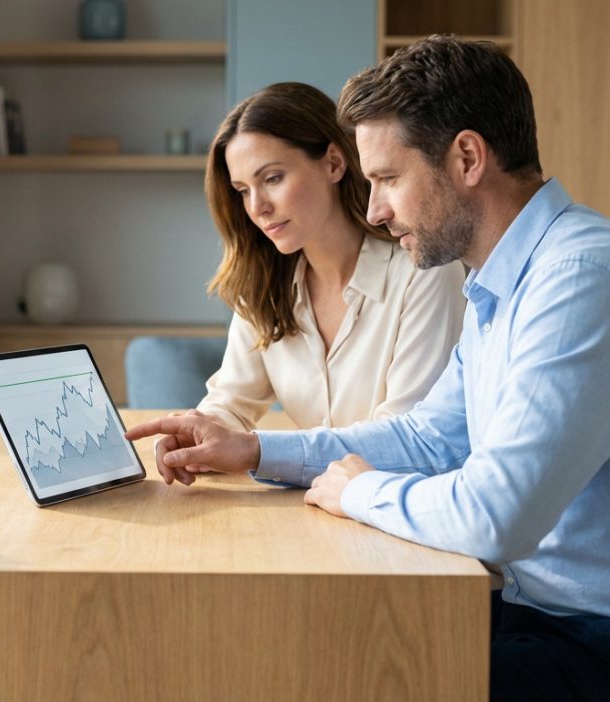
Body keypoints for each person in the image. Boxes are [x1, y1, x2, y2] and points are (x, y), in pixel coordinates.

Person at [126, 36, 610, 701]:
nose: (373, 209)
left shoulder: (582, 279)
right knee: (293, 649)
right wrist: (258, 449)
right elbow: (428, 439)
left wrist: (360, 491)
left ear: (466, 157)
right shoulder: (500, 286)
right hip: (558, 623)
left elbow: (496, 516)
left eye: (388, 179)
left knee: (343, 678)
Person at [163, 82, 463, 478]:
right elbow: (232, 403)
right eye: (242, 190)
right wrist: (195, 438)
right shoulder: (263, 286)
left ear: (334, 163)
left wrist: (256, 451)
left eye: (272, 179)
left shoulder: (424, 275)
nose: (258, 208)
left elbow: (408, 443)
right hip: (320, 508)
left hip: (397, 514)